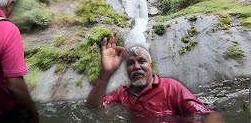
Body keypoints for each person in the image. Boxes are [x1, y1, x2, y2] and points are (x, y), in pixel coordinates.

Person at [87, 33, 223, 122]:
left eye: (141, 61)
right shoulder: (122, 93)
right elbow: (94, 108)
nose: (136, 66)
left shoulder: (171, 88)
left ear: (151, 66)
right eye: (130, 63)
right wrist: (105, 75)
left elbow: (209, 115)